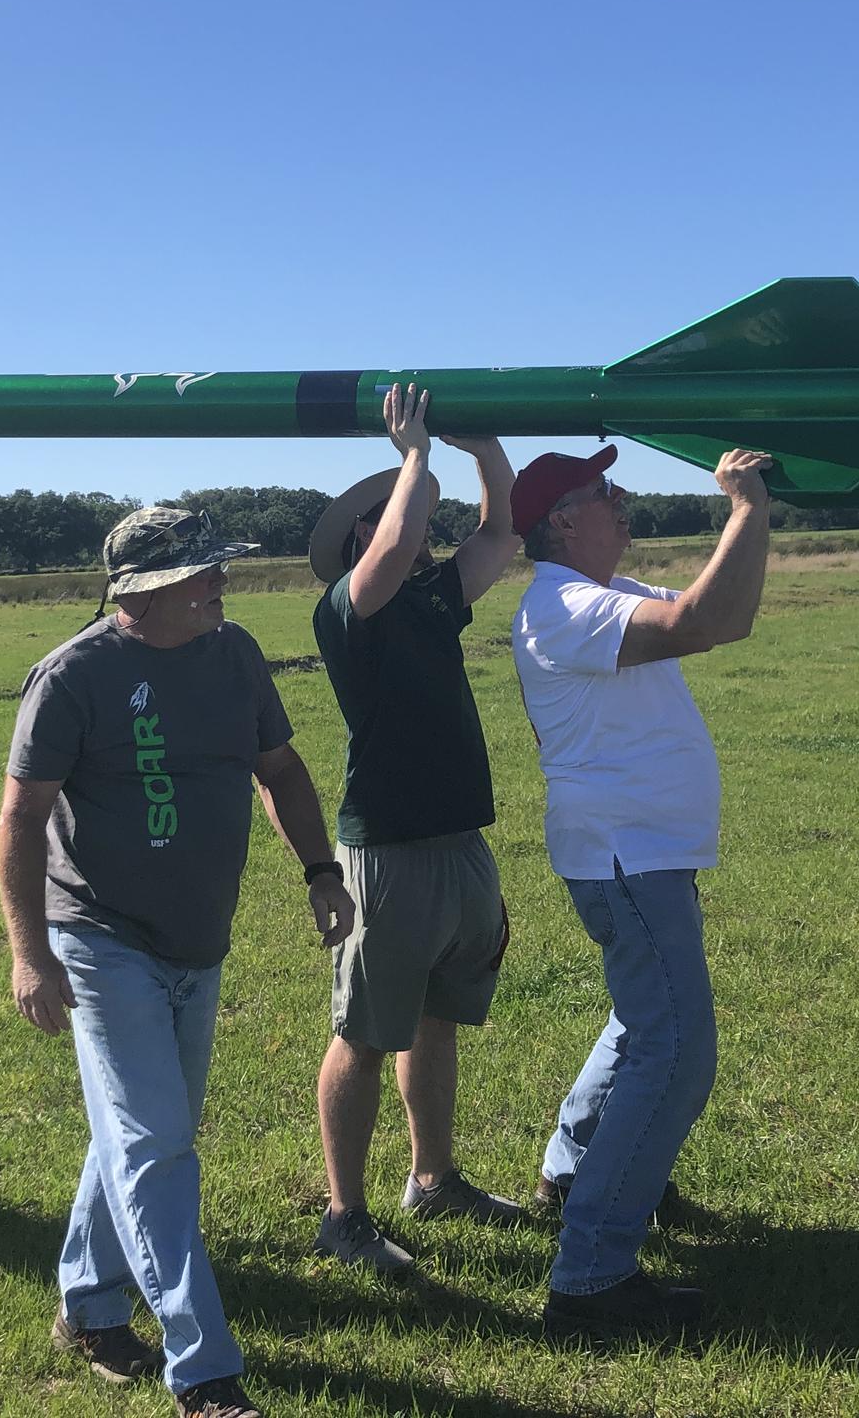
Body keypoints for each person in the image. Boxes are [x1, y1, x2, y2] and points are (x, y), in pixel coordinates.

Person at [0, 505, 357, 1418]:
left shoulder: (233, 656)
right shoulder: (72, 676)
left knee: (137, 1132)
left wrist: (320, 869)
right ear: (143, 591)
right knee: (157, 1142)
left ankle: (85, 1304)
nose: (220, 585)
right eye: (203, 574)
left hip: (200, 939)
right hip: (99, 935)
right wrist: (29, 953)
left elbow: (277, 769)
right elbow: (21, 818)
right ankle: (204, 1370)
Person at [508, 442, 772, 1344]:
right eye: (601, 492)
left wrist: (756, 516)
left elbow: (722, 615)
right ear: (560, 524)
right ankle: (589, 1278)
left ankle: (576, 1171)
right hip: (627, 857)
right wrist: (744, 510)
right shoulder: (561, 604)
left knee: (639, 1022)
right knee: (676, 1052)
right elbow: (702, 623)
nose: (621, 500)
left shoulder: (605, 595)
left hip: (642, 856)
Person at [307, 384, 523, 1278]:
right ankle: (343, 1217)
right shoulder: (347, 611)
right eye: (392, 513)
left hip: (458, 843)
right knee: (365, 1033)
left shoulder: (433, 599)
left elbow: (501, 537)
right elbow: (395, 542)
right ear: (360, 536)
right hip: (387, 852)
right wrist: (414, 457)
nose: (411, 520)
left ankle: (433, 1177)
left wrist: (487, 455)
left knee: (440, 1019)